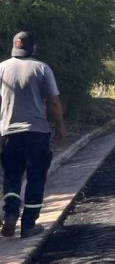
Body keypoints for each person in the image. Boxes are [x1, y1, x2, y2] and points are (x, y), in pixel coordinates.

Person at [0, 31, 65, 238]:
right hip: (37, 133)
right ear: (33, 48)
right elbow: (53, 102)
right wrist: (59, 126)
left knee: (12, 175)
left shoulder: (1, 69)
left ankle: (10, 213)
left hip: (8, 133)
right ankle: (28, 225)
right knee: (36, 177)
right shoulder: (41, 68)